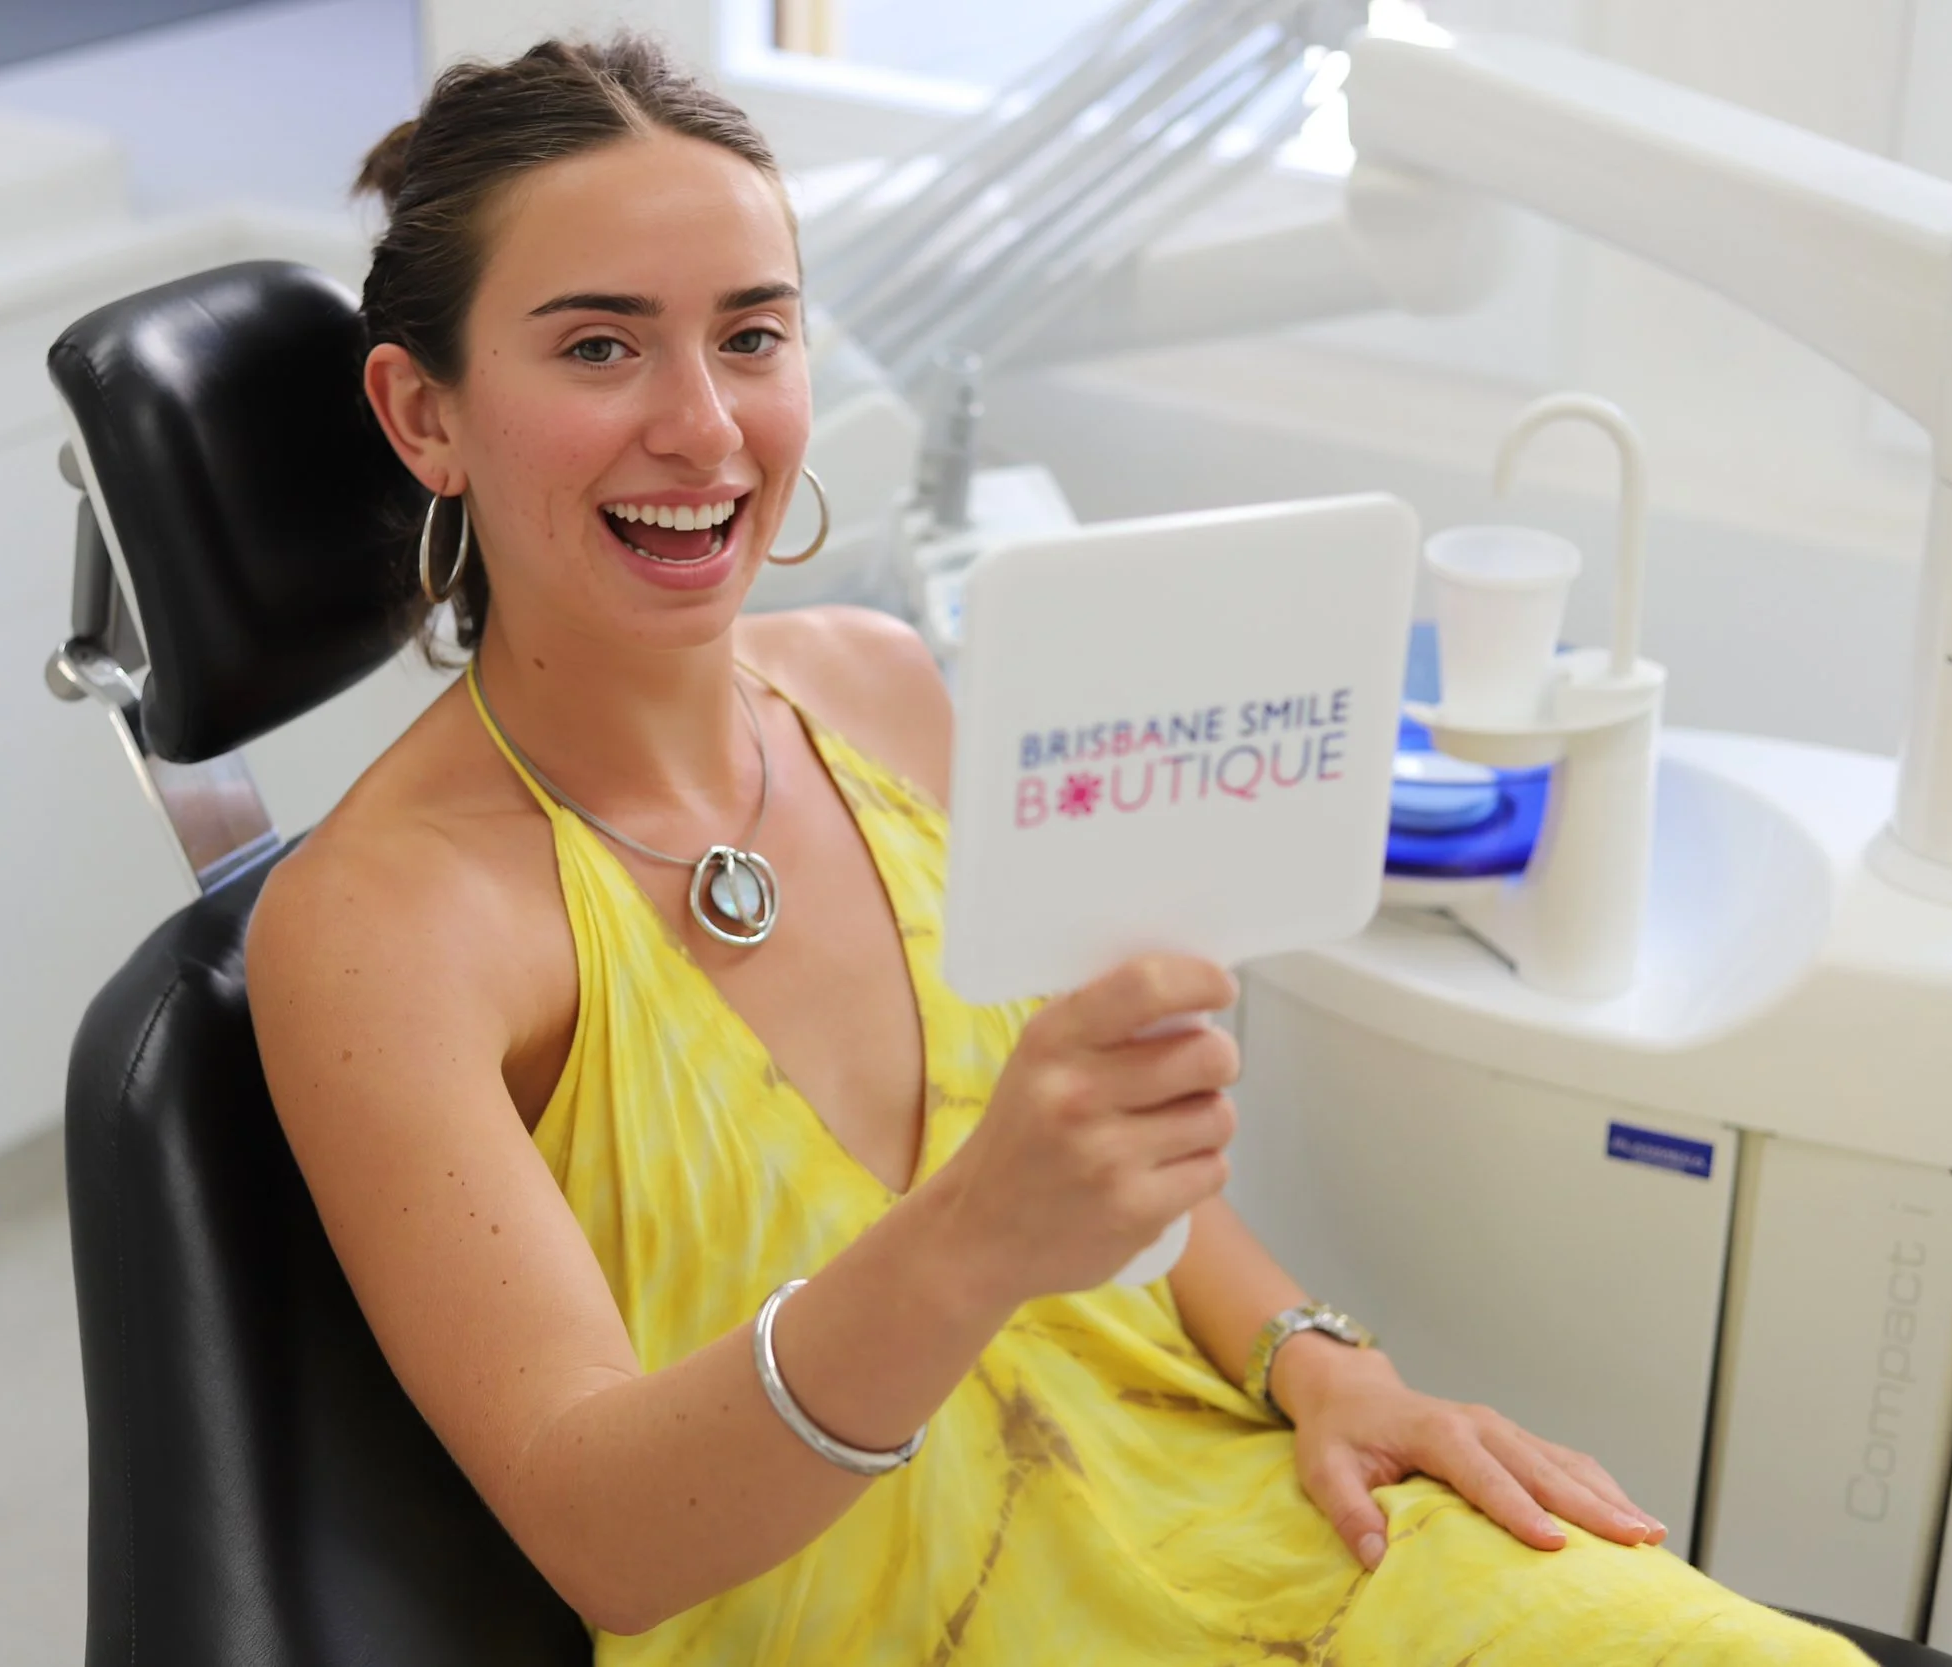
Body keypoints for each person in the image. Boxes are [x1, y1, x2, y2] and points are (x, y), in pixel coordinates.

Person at [244, 35, 1867, 1665]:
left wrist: (1323, 1361)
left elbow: (1122, 1179)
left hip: (1244, 1507)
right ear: (424, 412)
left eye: (753, 335)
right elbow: (598, 1532)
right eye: (600, 346)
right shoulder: (380, 926)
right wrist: (974, 1235)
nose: (705, 426)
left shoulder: (877, 686)